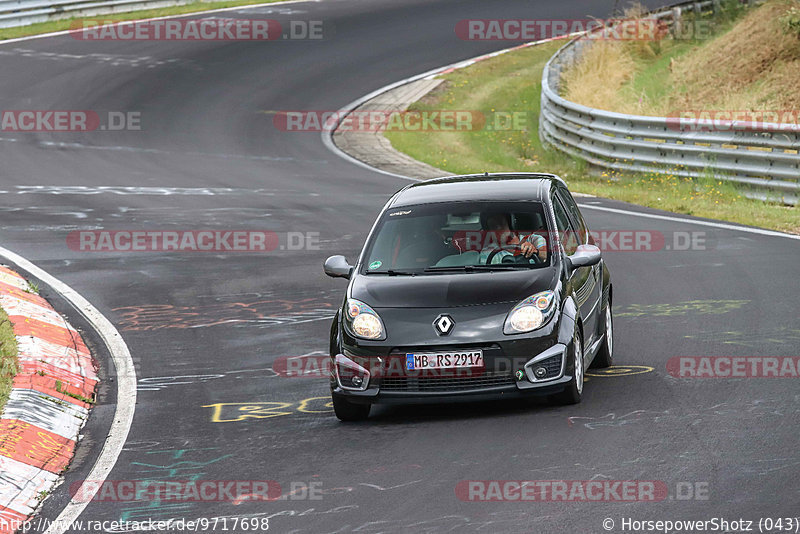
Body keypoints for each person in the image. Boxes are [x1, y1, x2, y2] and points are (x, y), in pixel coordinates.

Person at [479, 212, 547, 264]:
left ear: (511, 224)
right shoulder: (487, 252)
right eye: (493, 226)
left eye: (501, 223)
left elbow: (546, 256)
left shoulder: (534, 239)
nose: (498, 229)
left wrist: (535, 251)